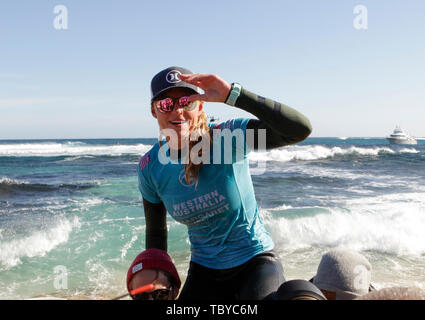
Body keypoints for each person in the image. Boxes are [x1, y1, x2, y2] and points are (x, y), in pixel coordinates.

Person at [138, 66, 312, 300]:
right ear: (154, 111)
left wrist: (233, 94)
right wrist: (157, 277)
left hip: (254, 261)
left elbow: (298, 130)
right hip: (204, 270)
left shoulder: (228, 139)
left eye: (187, 102)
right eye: (166, 104)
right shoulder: (150, 167)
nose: (177, 112)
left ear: (200, 106)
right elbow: (157, 233)